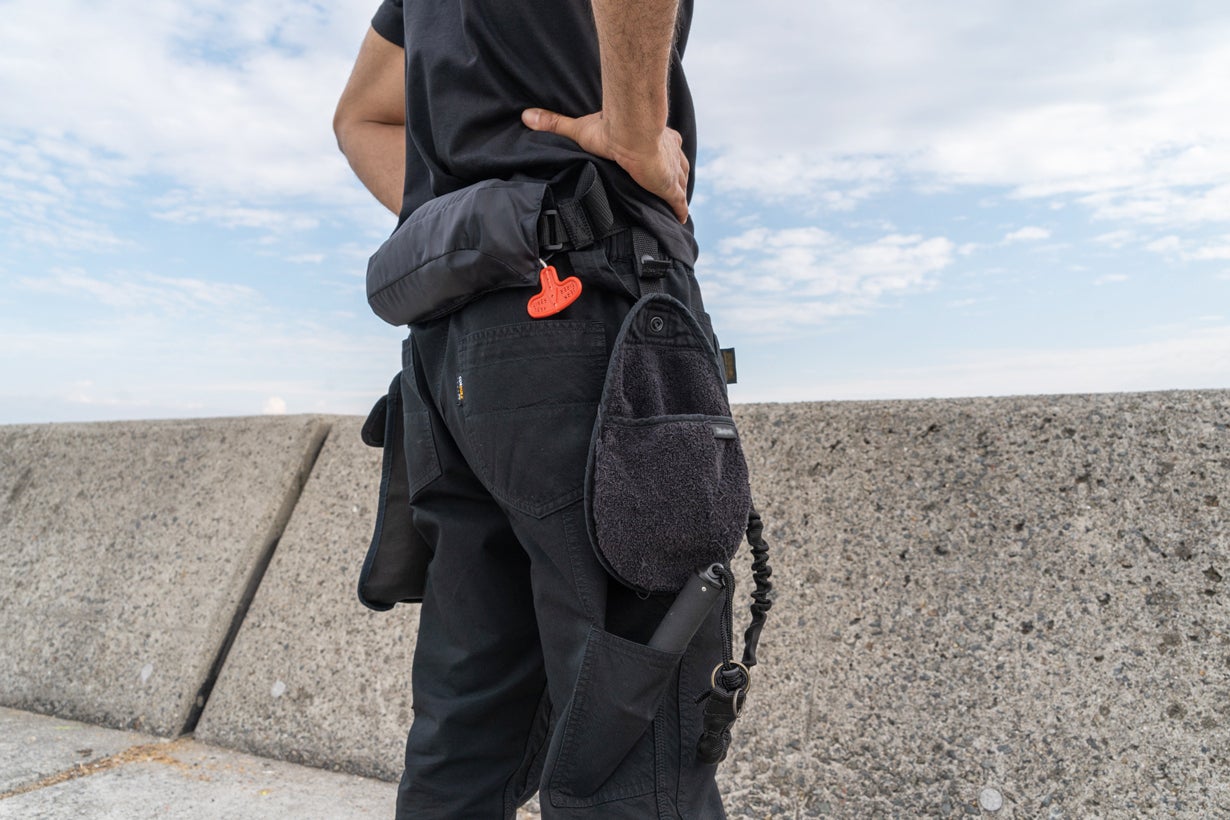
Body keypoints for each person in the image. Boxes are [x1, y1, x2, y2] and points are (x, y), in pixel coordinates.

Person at [334, 1, 727, 817]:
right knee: (635, 741)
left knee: (466, 725)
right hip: (592, 307)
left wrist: (474, 219)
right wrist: (633, 132)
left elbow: (360, 118)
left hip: (454, 356)